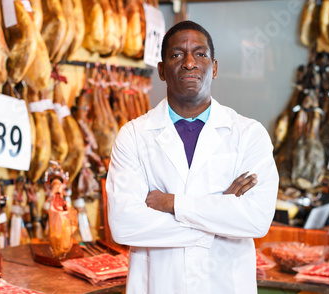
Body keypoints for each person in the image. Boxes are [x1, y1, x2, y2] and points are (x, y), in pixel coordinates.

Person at [106, 20, 279, 294]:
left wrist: (172, 203)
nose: (189, 63)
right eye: (177, 55)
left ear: (215, 67)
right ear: (161, 71)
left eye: (200, 54)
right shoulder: (134, 136)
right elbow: (125, 225)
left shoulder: (249, 134)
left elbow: (256, 220)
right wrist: (221, 213)